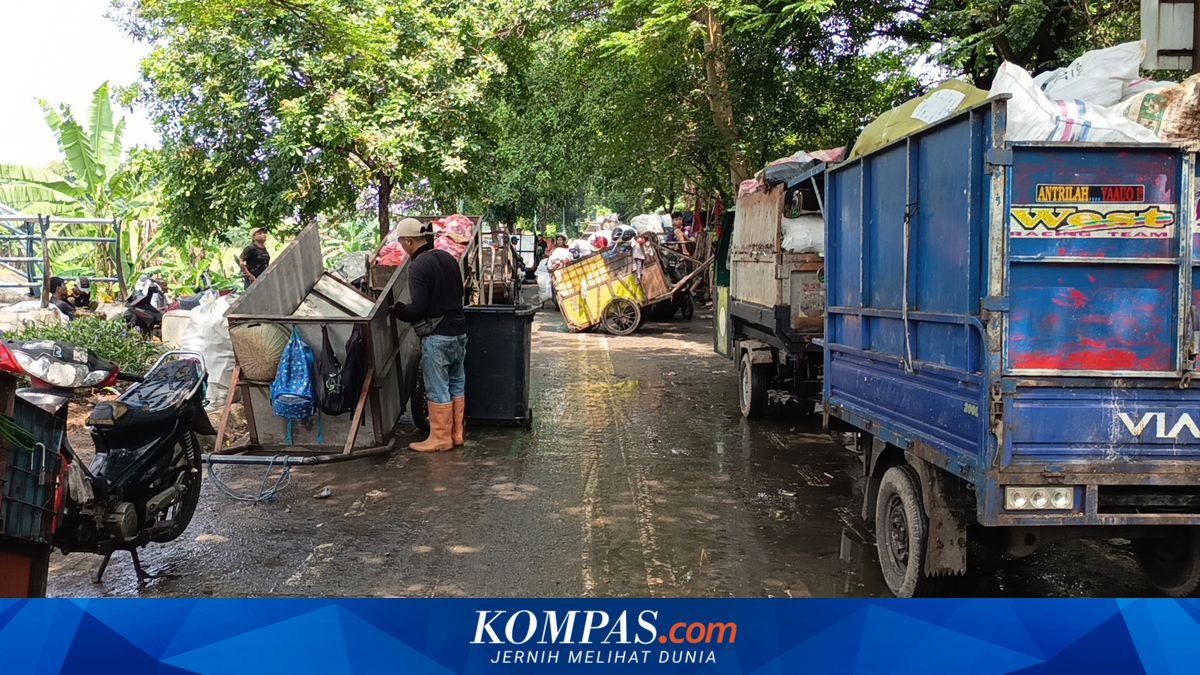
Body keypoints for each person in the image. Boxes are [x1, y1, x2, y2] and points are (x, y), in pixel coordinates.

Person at [390, 218, 467, 452]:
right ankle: (457, 434)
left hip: (438, 336)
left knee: (437, 387)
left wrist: (398, 310)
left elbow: (419, 308)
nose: (402, 247)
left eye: (402, 242)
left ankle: (440, 439)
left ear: (410, 241)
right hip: (460, 332)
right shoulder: (447, 258)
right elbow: (460, 292)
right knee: (456, 384)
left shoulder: (419, 266)